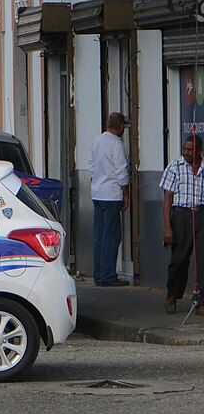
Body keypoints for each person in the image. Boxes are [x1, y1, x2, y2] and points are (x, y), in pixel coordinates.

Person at [160, 134, 204, 315]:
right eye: (184, 149)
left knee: (202, 260)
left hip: (201, 214)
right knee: (179, 260)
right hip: (181, 215)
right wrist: (167, 225)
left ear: (200, 151)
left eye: (190, 150)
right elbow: (168, 198)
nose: (186, 152)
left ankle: (201, 302)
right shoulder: (175, 167)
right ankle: (173, 295)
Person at [88, 111, 130, 286]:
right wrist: (126, 193)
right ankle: (108, 275)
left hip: (97, 193)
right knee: (112, 236)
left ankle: (98, 273)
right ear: (120, 127)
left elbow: (91, 166)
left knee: (99, 235)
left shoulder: (96, 141)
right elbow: (121, 171)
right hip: (112, 194)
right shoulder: (117, 144)